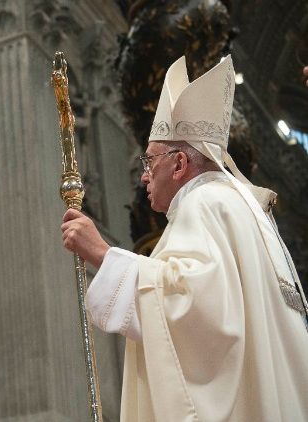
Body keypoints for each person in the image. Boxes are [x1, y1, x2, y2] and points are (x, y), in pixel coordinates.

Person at [61, 56, 308, 421]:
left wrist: (101, 253)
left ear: (179, 165)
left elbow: (195, 305)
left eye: (149, 162)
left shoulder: (205, 200)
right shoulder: (240, 206)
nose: (144, 177)